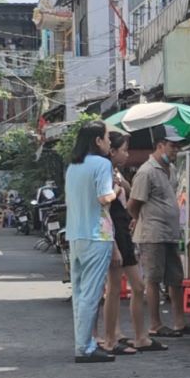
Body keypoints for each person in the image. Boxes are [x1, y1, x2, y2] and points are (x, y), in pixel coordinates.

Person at [99, 132, 167, 354]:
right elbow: (106, 206)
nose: (127, 154)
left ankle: (139, 336)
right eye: (124, 150)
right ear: (112, 151)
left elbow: (127, 193)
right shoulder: (104, 174)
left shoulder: (114, 173)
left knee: (136, 286)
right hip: (114, 232)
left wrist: (122, 184)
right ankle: (113, 336)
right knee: (115, 287)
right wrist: (113, 243)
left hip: (122, 231)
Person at [128, 125, 190, 338]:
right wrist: (141, 219)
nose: (175, 150)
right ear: (160, 146)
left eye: (177, 147)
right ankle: (155, 324)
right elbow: (133, 204)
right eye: (172, 146)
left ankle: (179, 321)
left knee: (175, 278)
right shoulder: (146, 172)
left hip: (169, 233)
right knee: (153, 278)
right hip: (152, 234)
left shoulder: (171, 170)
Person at [65, 121, 117, 363]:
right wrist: (116, 189)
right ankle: (84, 348)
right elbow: (104, 197)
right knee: (91, 294)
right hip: (97, 235)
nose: (109, 142)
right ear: (97, 140)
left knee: (79, 293)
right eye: (107, 138)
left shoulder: (73, 167)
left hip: (75, 234)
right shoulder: (103, 164)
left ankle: (82, 342)